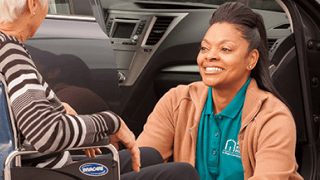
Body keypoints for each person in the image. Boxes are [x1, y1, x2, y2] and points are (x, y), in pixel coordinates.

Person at [0, 0, 201, 179]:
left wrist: (61, 113)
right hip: (46, 172)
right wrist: (110, 122)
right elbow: (46, 134)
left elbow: (19, 118)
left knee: (150, 155)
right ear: (32, 4)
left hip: (39, 165)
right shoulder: (13, 57)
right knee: (183, 173)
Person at [137, 2, 303, 180]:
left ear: (252, 59)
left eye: (225, 49)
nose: (210, 56)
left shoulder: (274, 119)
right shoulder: (176, 101)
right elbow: (138, 165)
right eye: (204, 48)